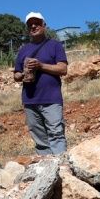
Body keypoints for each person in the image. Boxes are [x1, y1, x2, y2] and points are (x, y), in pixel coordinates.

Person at [13, 12, 69, 155]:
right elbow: (16, 74)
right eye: (30, 24)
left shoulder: (55, 45)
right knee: (39, 137)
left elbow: (63, 69)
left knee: (56, 133)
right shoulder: (23, 50)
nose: (33, 26)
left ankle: (61, 165)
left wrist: (40, 66)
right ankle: (46, 168)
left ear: (44, 25)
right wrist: (22, 74)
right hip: (30, 99)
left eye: (37, 23)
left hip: (51, 98)